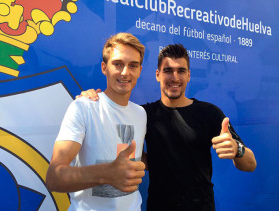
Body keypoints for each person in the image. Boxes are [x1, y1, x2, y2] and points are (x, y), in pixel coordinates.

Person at [79, 44, 257, 211]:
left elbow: (250, 164)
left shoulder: (210, 113)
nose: (175, 77)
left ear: (189, 75)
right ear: (158, 75)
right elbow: (132, 153)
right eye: (168, 71)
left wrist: (237, 150)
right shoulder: (142, 114)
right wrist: (94, 99)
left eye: (181, 71)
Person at [46, 32, 147, 211]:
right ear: (104, 67)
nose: (125, 72)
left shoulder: (141, 114)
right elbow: (54, 177)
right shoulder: (83, 107)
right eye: (118, 64)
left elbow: (134, 158)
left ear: (140, 70)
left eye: (133, 65)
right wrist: (106, 173)